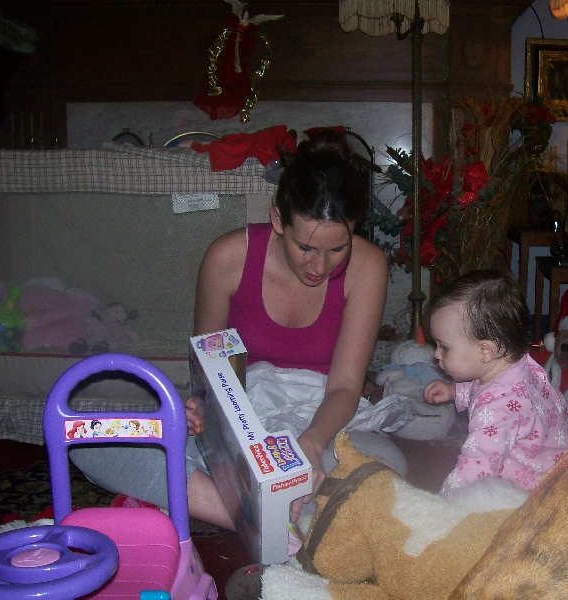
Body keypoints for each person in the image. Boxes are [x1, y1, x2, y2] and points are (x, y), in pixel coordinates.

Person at [70, 129, 406, 529]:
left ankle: (256, 509)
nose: (320, 267)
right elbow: (212, 374)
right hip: (244, 415)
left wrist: (312, 444)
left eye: (338, 248)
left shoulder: (368, 267)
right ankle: (265, 521)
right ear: (278, 219)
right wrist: (204, 412)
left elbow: (345, 387)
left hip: (323, 418)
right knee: (91, 443)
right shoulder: (227, 257)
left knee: (385, 466)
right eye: (305, 248)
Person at [422, 270, 568, 497]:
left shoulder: (497, 409)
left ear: (485, 351)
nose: (436, 354)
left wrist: (444, 503)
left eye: (444, 347)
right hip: (563, 464)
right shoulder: (516, 367)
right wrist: (454, 390)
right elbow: (485, 389)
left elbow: (476, 468)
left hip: (543, 491)